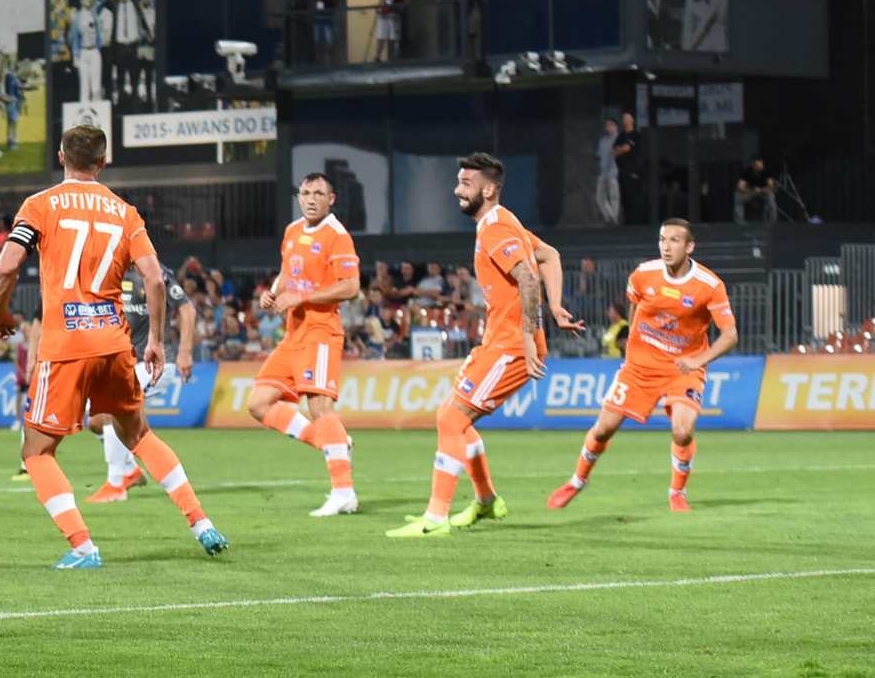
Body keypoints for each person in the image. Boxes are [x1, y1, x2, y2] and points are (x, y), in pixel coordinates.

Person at [0, 125, 224, 566]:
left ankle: (83, 547)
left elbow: (5, 267)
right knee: (139, 435)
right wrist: (157, 341)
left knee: (36, 451)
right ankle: (202, 523)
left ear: (61, 158)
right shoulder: (125, 212)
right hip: (116, 343)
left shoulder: (40, 205)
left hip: (65, 345)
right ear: (103, 161)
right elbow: (155, 279)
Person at [388, 154, 582, 537]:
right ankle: (487, 500)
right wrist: (557, 307)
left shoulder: (495, 227)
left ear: (489, 190)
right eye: (458, 182)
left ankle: (436, 518)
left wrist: (528, 339)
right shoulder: (503, 222)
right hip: (498, 342)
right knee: (452, 417)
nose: (457, 190)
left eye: (466, 184)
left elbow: (528, 279)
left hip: (510, 347)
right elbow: (549, 256)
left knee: (451, 419)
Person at [550, 220, 738, 513]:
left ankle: (677, 492)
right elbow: (635, 307)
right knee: (603, 429)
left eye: (674, 240)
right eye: (662, 239)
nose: (666, 246)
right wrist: (635, 348)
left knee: (682, 431)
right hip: (640, 367)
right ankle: (577, 481)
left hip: (683, 367)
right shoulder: (643, 274)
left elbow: (730, 335)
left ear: (689, 247)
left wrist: (698, 361)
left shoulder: (709, 285)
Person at [244, 173, 362, 516]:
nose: (311, 199)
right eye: (306, 192)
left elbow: (351, 286)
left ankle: (344, 493)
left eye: (319, 193)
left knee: (320, 408)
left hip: (321, 333)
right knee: (258, 403)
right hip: (293, 336)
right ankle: (332, 442)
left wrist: (301, 297)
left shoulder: (336, 235)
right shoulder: (293, 230)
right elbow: (287, 272)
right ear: (299, 197)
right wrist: (274, 292)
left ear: (331, 199)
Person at [85, 250, 194, 502]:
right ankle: (130, 471)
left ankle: (116, 484)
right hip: (122, 362)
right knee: (96, 422)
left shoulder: (154, 270)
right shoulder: (106, 273)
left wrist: (185, 351)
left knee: (113, 410)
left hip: (153, 362)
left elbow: (187, 308)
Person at [614, 111, 648, 225]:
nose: (626, 121)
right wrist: (619, 149)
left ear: (633, 120)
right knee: (625, 196)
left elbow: (626, 148)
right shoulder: (622, 136)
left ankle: (637, 221)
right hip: (622, 169)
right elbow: (613, 150)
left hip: (633, 169)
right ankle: (628, 221)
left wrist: (620, 149)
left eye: (628, 118)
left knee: (634, 195)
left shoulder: (635, 135)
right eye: (624, 119)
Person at [595, 118, 622, 226]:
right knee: (599, 197)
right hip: (603, 172)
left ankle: (614, 218)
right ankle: (609, 217)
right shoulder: (603, 141)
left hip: (614, 172)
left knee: (614, 196)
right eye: (607, 125)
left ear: (616, 126)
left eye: (611, 124)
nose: (609, 127)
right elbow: (600, 156)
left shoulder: (619, 139)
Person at [310, 0, 339, 65]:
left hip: (328, 15)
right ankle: (319, 62)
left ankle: (333, 62)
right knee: (317, 41)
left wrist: (332, 8)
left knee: (330, 39)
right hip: (318, 16)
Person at [734, 157, 777, 223]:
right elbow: (740, 186)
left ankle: (772, 220)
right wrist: (752, 189)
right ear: (753, 165)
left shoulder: (766, 171)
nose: (759, 167)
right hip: (750, 191)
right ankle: (740, 222)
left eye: (761, 165)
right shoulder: (747, 171)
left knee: (770, 195)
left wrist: (762, 189)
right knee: (738, 196)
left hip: (762, 191)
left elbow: (771, 186)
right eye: (757, 165)